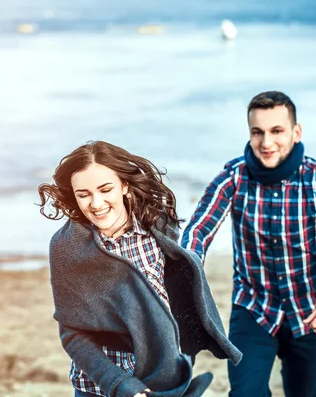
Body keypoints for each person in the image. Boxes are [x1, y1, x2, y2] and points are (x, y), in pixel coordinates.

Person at [181, 91, 316, 397]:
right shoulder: (233, 177)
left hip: (311, 312)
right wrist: (187, 274)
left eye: (276, 131)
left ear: (296, 133)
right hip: (253, 309)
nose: (266, 143)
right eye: (257, 132)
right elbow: (198, 231)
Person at [38, 141, 242, 397]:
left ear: (124, 185)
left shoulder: (156, 223)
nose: (96, 203)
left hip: (164, 379)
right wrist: (123, 386)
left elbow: (174, 290)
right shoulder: (66, 247)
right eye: (84, 194)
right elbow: (73, 335)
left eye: (105, 189)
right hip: (101, 386)